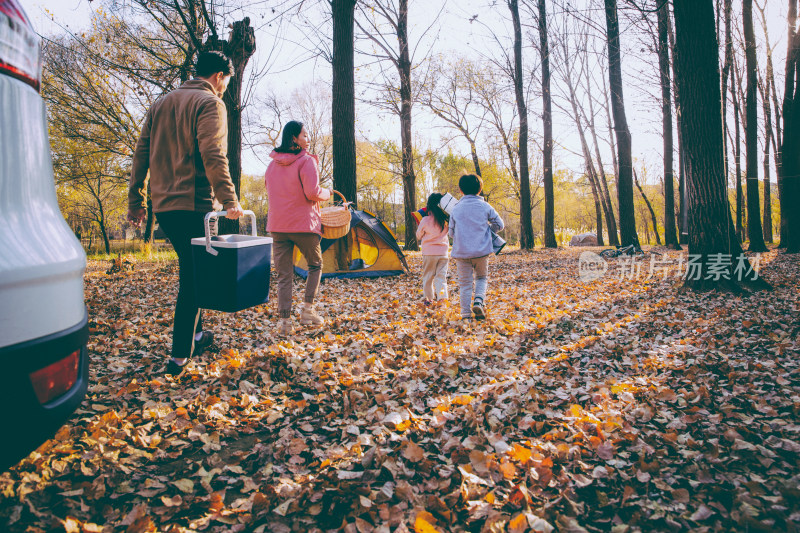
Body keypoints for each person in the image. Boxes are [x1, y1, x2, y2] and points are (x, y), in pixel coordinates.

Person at [127, 51, 244, 377]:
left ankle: (196, 334)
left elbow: (141, 153)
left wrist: (136, 200)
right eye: (226, 82)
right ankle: (179, 356)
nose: (224, 88)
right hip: (194, 205)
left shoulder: (160, 103)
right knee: (194, 281)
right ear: (220, 75)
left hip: (165, 207)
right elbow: (212, 153)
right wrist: (229, 199)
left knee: (192, 268)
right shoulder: (210, 103)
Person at [264, 121, 332, 335]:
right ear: (294, 138)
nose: (308, 138)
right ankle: (307, 310)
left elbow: (270, 190)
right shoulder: (306, 161)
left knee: (284, 275)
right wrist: (328, 193)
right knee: (315, 265)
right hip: (303, 225)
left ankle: (284, 323)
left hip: (278, 226)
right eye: (305, 135)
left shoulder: (271, 165)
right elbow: (312, 192)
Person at [449, 174, 504, 320]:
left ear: (460, 190)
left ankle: (466, 315)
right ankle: (479, 301)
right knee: (481, 278)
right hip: (481, 252)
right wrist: (487, 231)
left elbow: (451, 232)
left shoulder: (456, 208)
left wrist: (462, 237)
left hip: (461, 254)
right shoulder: (485, 206)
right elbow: (500, 224)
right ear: (480, 189)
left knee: (465, 284)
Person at [416, 193, 450, 303]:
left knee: (428, 277)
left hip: (429, 253)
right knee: (441, 278)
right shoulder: (445, 221)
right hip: (443, 253)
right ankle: (442, 298)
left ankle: (429, 299)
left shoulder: (425, 220)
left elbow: (418, 235)